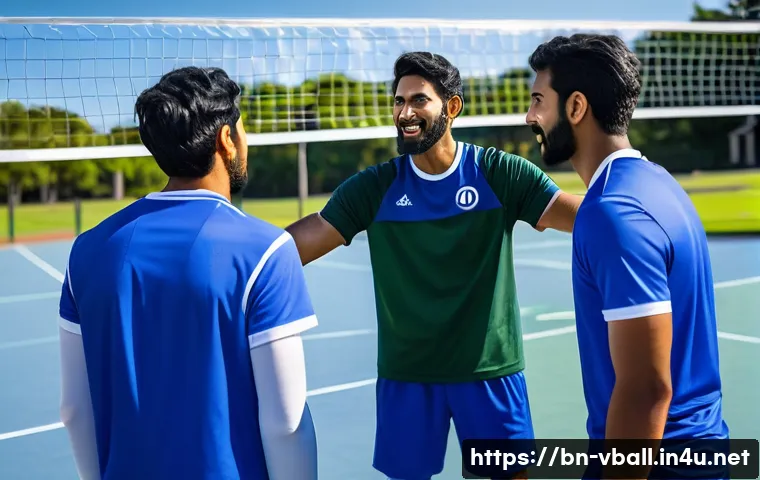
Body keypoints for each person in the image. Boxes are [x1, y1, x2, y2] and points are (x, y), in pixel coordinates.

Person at [285, 51, 581, 480]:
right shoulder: (375, 187)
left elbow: (581, 216)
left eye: (419, 100)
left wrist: (634, 198)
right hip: (407, 376)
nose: (405, 112)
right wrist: (230, 258)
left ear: (452, 107)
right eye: (398, 101)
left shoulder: (498, 173)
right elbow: (296, 245)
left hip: (489, 372)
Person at [57, 66, 319, 480]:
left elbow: (73, 411)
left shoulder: (85, 251)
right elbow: (285, 421)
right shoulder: (266, 251)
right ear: (226, 140)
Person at [525, 34, 729, 476]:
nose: (530, 116)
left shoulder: (611, 213)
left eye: (539, 99)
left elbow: (645, 390)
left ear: (576, 107)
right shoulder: (659, 183)